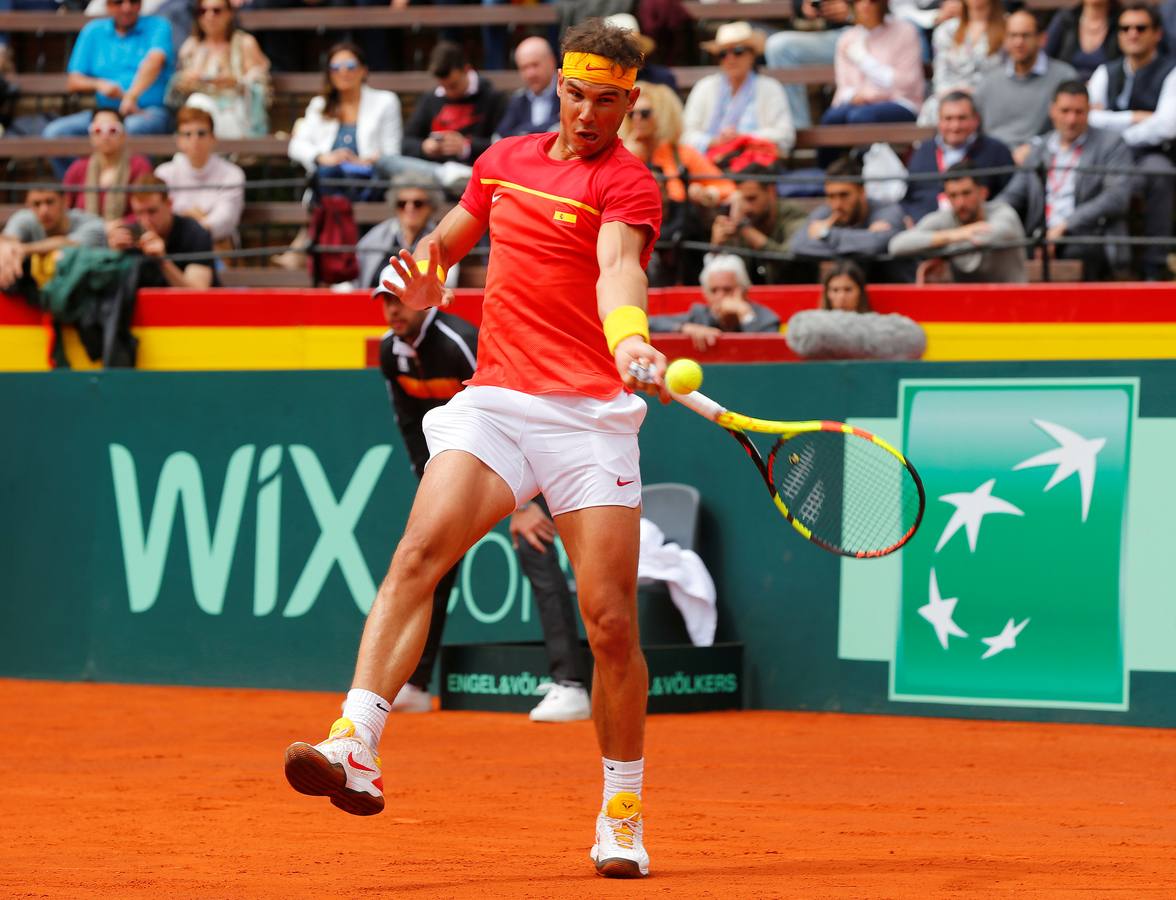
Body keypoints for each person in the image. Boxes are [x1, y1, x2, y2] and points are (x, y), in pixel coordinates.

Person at [283, 18, 666, 880]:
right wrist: (424, 276)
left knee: (609, 624)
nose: (591, 112)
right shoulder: (504, 160)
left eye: (611, 100)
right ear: (558, 88)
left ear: (629, 103)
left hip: (589, 418)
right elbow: (445, 245)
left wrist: (630, 334)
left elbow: (617, 268)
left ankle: (622, 808)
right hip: (496, 402)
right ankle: (356, 742)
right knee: (419, 552)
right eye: (579, 94)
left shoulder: (629, 184)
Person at [373, 264, 591, 722]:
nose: (393, 310)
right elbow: (411, 426)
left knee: (536, 543)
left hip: (530, 450)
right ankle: (414, 683)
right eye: (386, 301)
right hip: (460, 462)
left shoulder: (459, 341)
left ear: (421, 298)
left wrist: (523, 503)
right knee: (433, 558)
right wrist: (435, 484)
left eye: (399, 299)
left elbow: (513, 406)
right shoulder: (390, 353)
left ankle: (571, 686)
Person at [995, 81, 1133, 278]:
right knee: (1007, 251)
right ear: (1052, 111)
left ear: (1089, 112)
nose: (1071, 119)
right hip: (1041, 236)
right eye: (1065, 111)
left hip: (1088, 235)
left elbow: (1116, 197)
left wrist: (1065, 226)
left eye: (1079, 112)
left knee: (1078, 253)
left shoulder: (1111, 144)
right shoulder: (1039, 149)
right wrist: (988, 215)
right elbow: (1013, 194)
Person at [1088, 1, 1176, 280]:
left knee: (1158, 172)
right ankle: (1098, 259)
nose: (1132, 34)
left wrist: (1111, 123)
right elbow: (1085, 119)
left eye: (1141, 28)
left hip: (1149, 154)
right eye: (1125, 28)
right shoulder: (1105, 71)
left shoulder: (1171, 72)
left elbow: (1166, 126)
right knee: (1087, 173)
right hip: (1106, 156)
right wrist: (1135, 118)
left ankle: (1154, 263)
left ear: (1157, 34)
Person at [620, 80, 734, 286]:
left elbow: (727, 189)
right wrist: (629, 155)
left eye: (645, 113)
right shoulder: (620, 154)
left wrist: (707, 194)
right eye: (631, 114)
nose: (637, 119)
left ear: (663, 115)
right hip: (636, 242)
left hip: (681, 248)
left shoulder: (682, 155)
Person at [42, 0, 174, 149]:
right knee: (55, 133)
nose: (127, 7)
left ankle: (129, 172)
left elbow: (154, 61)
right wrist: (99, 84)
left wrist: (131, 96)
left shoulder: (158, 25)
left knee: (128, 130)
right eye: (118, 2)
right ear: (107, 5)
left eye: (133, 1)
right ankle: (85, 172)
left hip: (147, 111)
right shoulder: (93, 31)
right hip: (105, 113)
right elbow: (73, 81)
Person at [378, 41, 507, 191]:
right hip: (434, 176)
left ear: (467, 69)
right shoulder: (431, 98)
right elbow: (406, 142)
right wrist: (424, 147)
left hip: (476, 174)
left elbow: (503, 146)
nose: (448, 92)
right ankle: (447, 175)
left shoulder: (493, 98)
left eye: (453, 85)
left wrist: (466, 147)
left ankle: (454, 176)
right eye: (443, 86)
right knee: (384, 162)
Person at [287, 42, 403, 202]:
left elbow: (392, 153)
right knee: (327, 173)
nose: (343, 72)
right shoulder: (319, 104)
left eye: (350, 65)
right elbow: (296, 146)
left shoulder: (386, 101)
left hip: (368, 180)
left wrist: (366, 161)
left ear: (364, 70)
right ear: (329, 74)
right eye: (335, 67)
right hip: (329, 180)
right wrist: (323, 157)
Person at [889, 162, 1029, 282]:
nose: (960, 202)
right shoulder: (945, 219)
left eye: (966, 193)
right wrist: (956, 235)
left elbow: (985, 238)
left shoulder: (1003, 213)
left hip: (1012, 300)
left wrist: (939, 250)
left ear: (983, 193)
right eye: (953, 196)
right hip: (967, 303)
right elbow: (897, 245)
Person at [682, 21, 796, 159]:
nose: (730, 58)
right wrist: (716, 142)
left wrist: (742, 138)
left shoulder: (770, 88)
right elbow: (685, 135)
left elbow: (785, 135)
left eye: (738, 51)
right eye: (723, 54)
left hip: (755, 162)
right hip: (710, 163)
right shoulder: (704, 87)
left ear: (752, 55)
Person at [975, 11, 1078, 160]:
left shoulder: (1064, 77)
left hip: (1043, 158)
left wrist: (1035, 146)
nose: (1018, 42)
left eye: (1025, 35)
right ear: (1005, 39)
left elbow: (1071, 125)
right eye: (1013, 35)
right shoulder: (989, 81)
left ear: (1042, 39)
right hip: (993, 161)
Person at [789, 156, 911, 282]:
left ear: (862, 191)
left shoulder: (888, 210)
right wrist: (866, 237)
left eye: (844, 195)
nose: (837, 204)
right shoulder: (826, 212)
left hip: (895, 292)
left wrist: (825, 234)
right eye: (831, 196)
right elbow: (797, 245)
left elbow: (874, 245)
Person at [903, 90, 1015, 222]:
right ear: (939, 121)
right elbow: (909, 197)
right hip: (926, 229)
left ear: (976, 120)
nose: (955, 126)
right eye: (948, 119)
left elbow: (1011, 196)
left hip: (979, 230)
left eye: (962, 118)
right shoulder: (924, 151)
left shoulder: (996, 151)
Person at [167, 0, 271, 139]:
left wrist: (236, 83)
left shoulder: (245, 43)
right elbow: (175, 95)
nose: (209, 16)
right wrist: (185, 82)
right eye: (203, 11)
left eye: (216, 10)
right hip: (198, 116)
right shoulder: (191, 47)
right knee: (197, 103)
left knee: (198, 104)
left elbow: (261, 87)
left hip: (237, 113)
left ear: (229, 13)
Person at [822, 0, 925, 131]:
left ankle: (862, 152)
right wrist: (855, 96)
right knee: (831, 118)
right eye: (859, 1)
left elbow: (907, 83)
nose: (865, 5)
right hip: (859, 103)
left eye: (872, 1)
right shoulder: (847, 38)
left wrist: (863, 59)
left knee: (860, 117)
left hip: (901, 103)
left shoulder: (905, 31)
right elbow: (844, 87)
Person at [155, 106, 245, 247]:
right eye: (187, 134)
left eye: (201, 133)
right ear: (178, 140)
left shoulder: (232, 174)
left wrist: (188, 222)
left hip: (215, 243)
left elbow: (225, 220)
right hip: (173, 245)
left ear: (213, 138)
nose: (194, 139)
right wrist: (196, 220)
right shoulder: (164, 173)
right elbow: (160, 217)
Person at [109, 172, 219, 288]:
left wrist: (162, 261)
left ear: (169, 204)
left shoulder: (195, 233)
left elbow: (197, 296)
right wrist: (114, 256)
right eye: (139, 213)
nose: (146, 221)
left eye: (152, 211)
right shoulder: (130, 236)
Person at [649, 254, 780, 351]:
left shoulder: (765, 317)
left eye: (727, 289)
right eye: (714, 290)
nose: (720, 296)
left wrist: (745, 314)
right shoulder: (700, 315)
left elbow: (767, 351)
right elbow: (649, 323)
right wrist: (684, 328)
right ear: (706, 294)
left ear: (743, 291)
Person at [708, 162, 809, 285]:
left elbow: (789, 258)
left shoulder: (793, 215)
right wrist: (716, 247)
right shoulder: (743, 219)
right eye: (742, 200)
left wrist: (745, 230)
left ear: (771, 191)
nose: (746, 207)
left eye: (751, 199)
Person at [353, 177, 459, 291]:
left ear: (431, 207)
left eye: (418, 203)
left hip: (423, 307)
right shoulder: (376, 237)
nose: (409, 208)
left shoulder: (441, 237)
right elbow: (357, 278)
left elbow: (448, 282)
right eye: (402, 203)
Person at [764, 0, 854, 129]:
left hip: (871, 33)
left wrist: (852, 11)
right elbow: (799, 4)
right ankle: (796, 129)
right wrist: (803, 6)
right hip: (832, 37)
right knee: (779, 47)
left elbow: (890, 10)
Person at [0, 187, 107, 290]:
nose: (43, 210)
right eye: (36, 204)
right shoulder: (24, 218)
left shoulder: (92, 223)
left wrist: (22, 250)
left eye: (50, 202)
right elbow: (7, 241)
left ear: (65, 201)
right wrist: (7, 253)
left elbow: (68, 243)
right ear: (28, 206)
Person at [919, 0, 1004, 125]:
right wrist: (956, 94)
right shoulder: (947, 29)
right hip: (951, 94)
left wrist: (975, 93)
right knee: (934, 106)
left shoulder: (1007, 27)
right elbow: (941, 76)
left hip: (992, 97)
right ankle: (931, 145)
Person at [62, 109, 154, 223]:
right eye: (98, 130)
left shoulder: (139, 166)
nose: (105, 136)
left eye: (113, 130)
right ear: (91, 136)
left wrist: (117, 226)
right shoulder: (78, 168)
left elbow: (147, 209)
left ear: (124, 135)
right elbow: (64, 210)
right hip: (86, 236)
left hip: (126, 235)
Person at [495, 36, 559, 140]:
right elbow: (499, 137)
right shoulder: (518, 99)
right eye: (524, 68)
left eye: (535, 65)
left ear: (552, 61)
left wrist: (522, 132)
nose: (530, 74)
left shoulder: (569, 94)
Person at [1046, 0, 1122, 83]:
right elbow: (1045, 57)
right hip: (1065, 88)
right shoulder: (1065, 20)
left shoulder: (1124, 24)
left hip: (1109, 90)